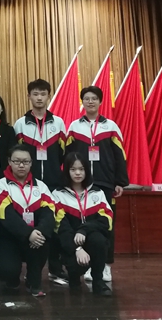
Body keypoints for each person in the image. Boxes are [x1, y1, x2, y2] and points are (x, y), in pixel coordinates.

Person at [66, 86, 127, 283]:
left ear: (100, 102)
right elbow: (68, 156)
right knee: (83, 223)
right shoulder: (74, 127)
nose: (90, 102)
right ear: (82, 102)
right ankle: (89, 264)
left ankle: (106, 265)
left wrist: (119, 182)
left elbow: (119, 156)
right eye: (87, 98)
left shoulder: (111, 126)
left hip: (105, 183)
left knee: (106, 224)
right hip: (80, 183)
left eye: (94, 98)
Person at [13, 79, 67, 284]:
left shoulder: (58, 123)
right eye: (35, 94)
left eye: (43, 94)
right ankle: (31, 270)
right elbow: (17, 156)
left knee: (53, 225)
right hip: (28, 185)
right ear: (29, 96)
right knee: (31, 225)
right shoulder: (20, 124)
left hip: (53, 183)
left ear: (48, 96)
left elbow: (63, 154)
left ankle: (55, 268)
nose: (39, 98)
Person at [0, 144, 56, 297]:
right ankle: (12, 280)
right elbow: (6, 216)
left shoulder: (41, 186)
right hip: (8, 238)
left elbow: (49, 212)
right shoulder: (1, 185)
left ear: (31, 163)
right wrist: (28, 233)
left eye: (25, 162)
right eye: (17, 161)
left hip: (34, 236)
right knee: (8, 270)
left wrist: (38, 232)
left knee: (42, 241)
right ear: (9, 161)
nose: (21, 165)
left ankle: (33, 282)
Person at [53, 152, 113, 296]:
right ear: (66, 171)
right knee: (74, 265)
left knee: (99, 240)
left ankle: (98, 281)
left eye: (81, 169)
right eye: (73, 169)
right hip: (69, 243)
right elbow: (61, 227)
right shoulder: (57, 194)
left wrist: (84, 230)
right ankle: (74, 279)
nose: (78, 173)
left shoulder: (97, 193)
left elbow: (107, 220)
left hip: (90, 238)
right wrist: (77, 248)